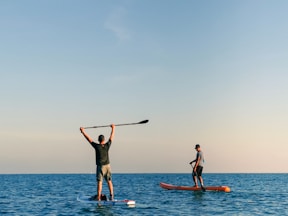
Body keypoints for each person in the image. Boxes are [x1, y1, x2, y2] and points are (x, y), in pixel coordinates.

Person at [80, 124, 115, 201]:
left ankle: (99, 197)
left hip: (100, 167)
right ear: (104, 140)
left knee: (99, 182)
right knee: (109, 181)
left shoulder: (97, 146)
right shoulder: (107, 145)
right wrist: (113, 128)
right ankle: (111, 196)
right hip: (108, 166)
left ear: (99, 140)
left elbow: (89, 139)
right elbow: (111, 137)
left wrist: (83, 132)